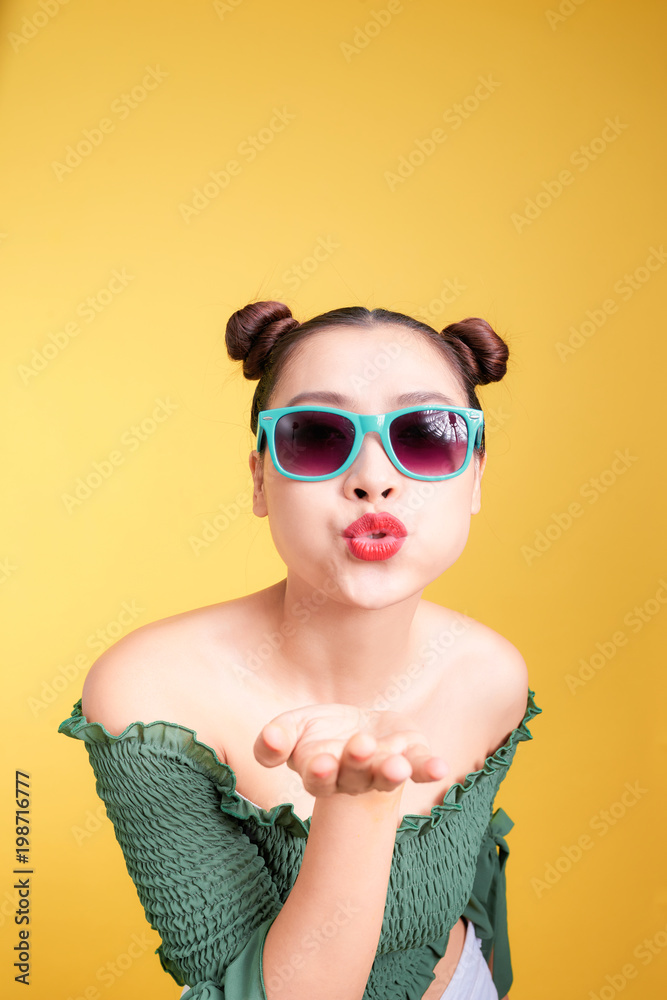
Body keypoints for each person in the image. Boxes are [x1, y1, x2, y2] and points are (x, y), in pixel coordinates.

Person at [57, 301, 543, 1000]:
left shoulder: (488, 673)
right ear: (259, 478)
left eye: (425, 436)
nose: (372, 479)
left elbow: (470, 891)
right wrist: (357, 806)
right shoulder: (151, 695)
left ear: (474, 476)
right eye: (316, 436)